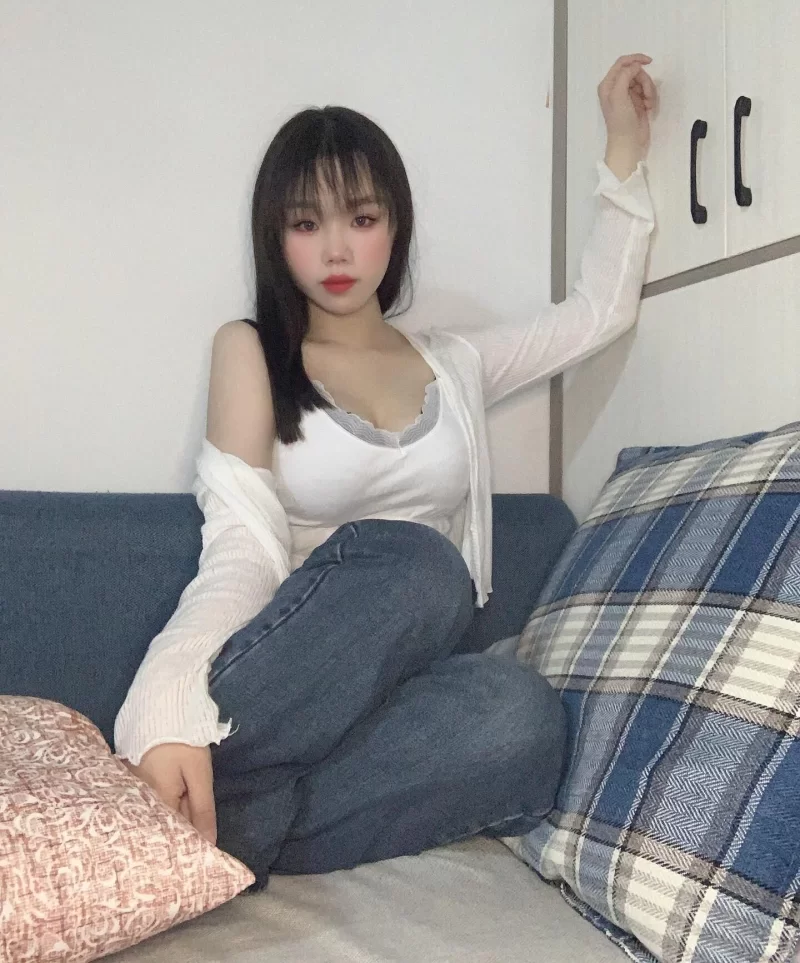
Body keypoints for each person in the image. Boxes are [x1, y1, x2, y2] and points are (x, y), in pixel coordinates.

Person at [114, 53, 658, 891]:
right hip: (286, 674)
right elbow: (239, 550)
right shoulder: (253, 350)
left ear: (394, 225)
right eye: (306, 223)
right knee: (418, 563)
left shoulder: (455, 363)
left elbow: (598, 314)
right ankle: (220, 790)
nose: (336, 248)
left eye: (361, 217)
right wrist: (166, 699)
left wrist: (624, 145)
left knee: (522, 715)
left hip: (398, 692)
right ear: (275, 237)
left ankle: (228, 827)